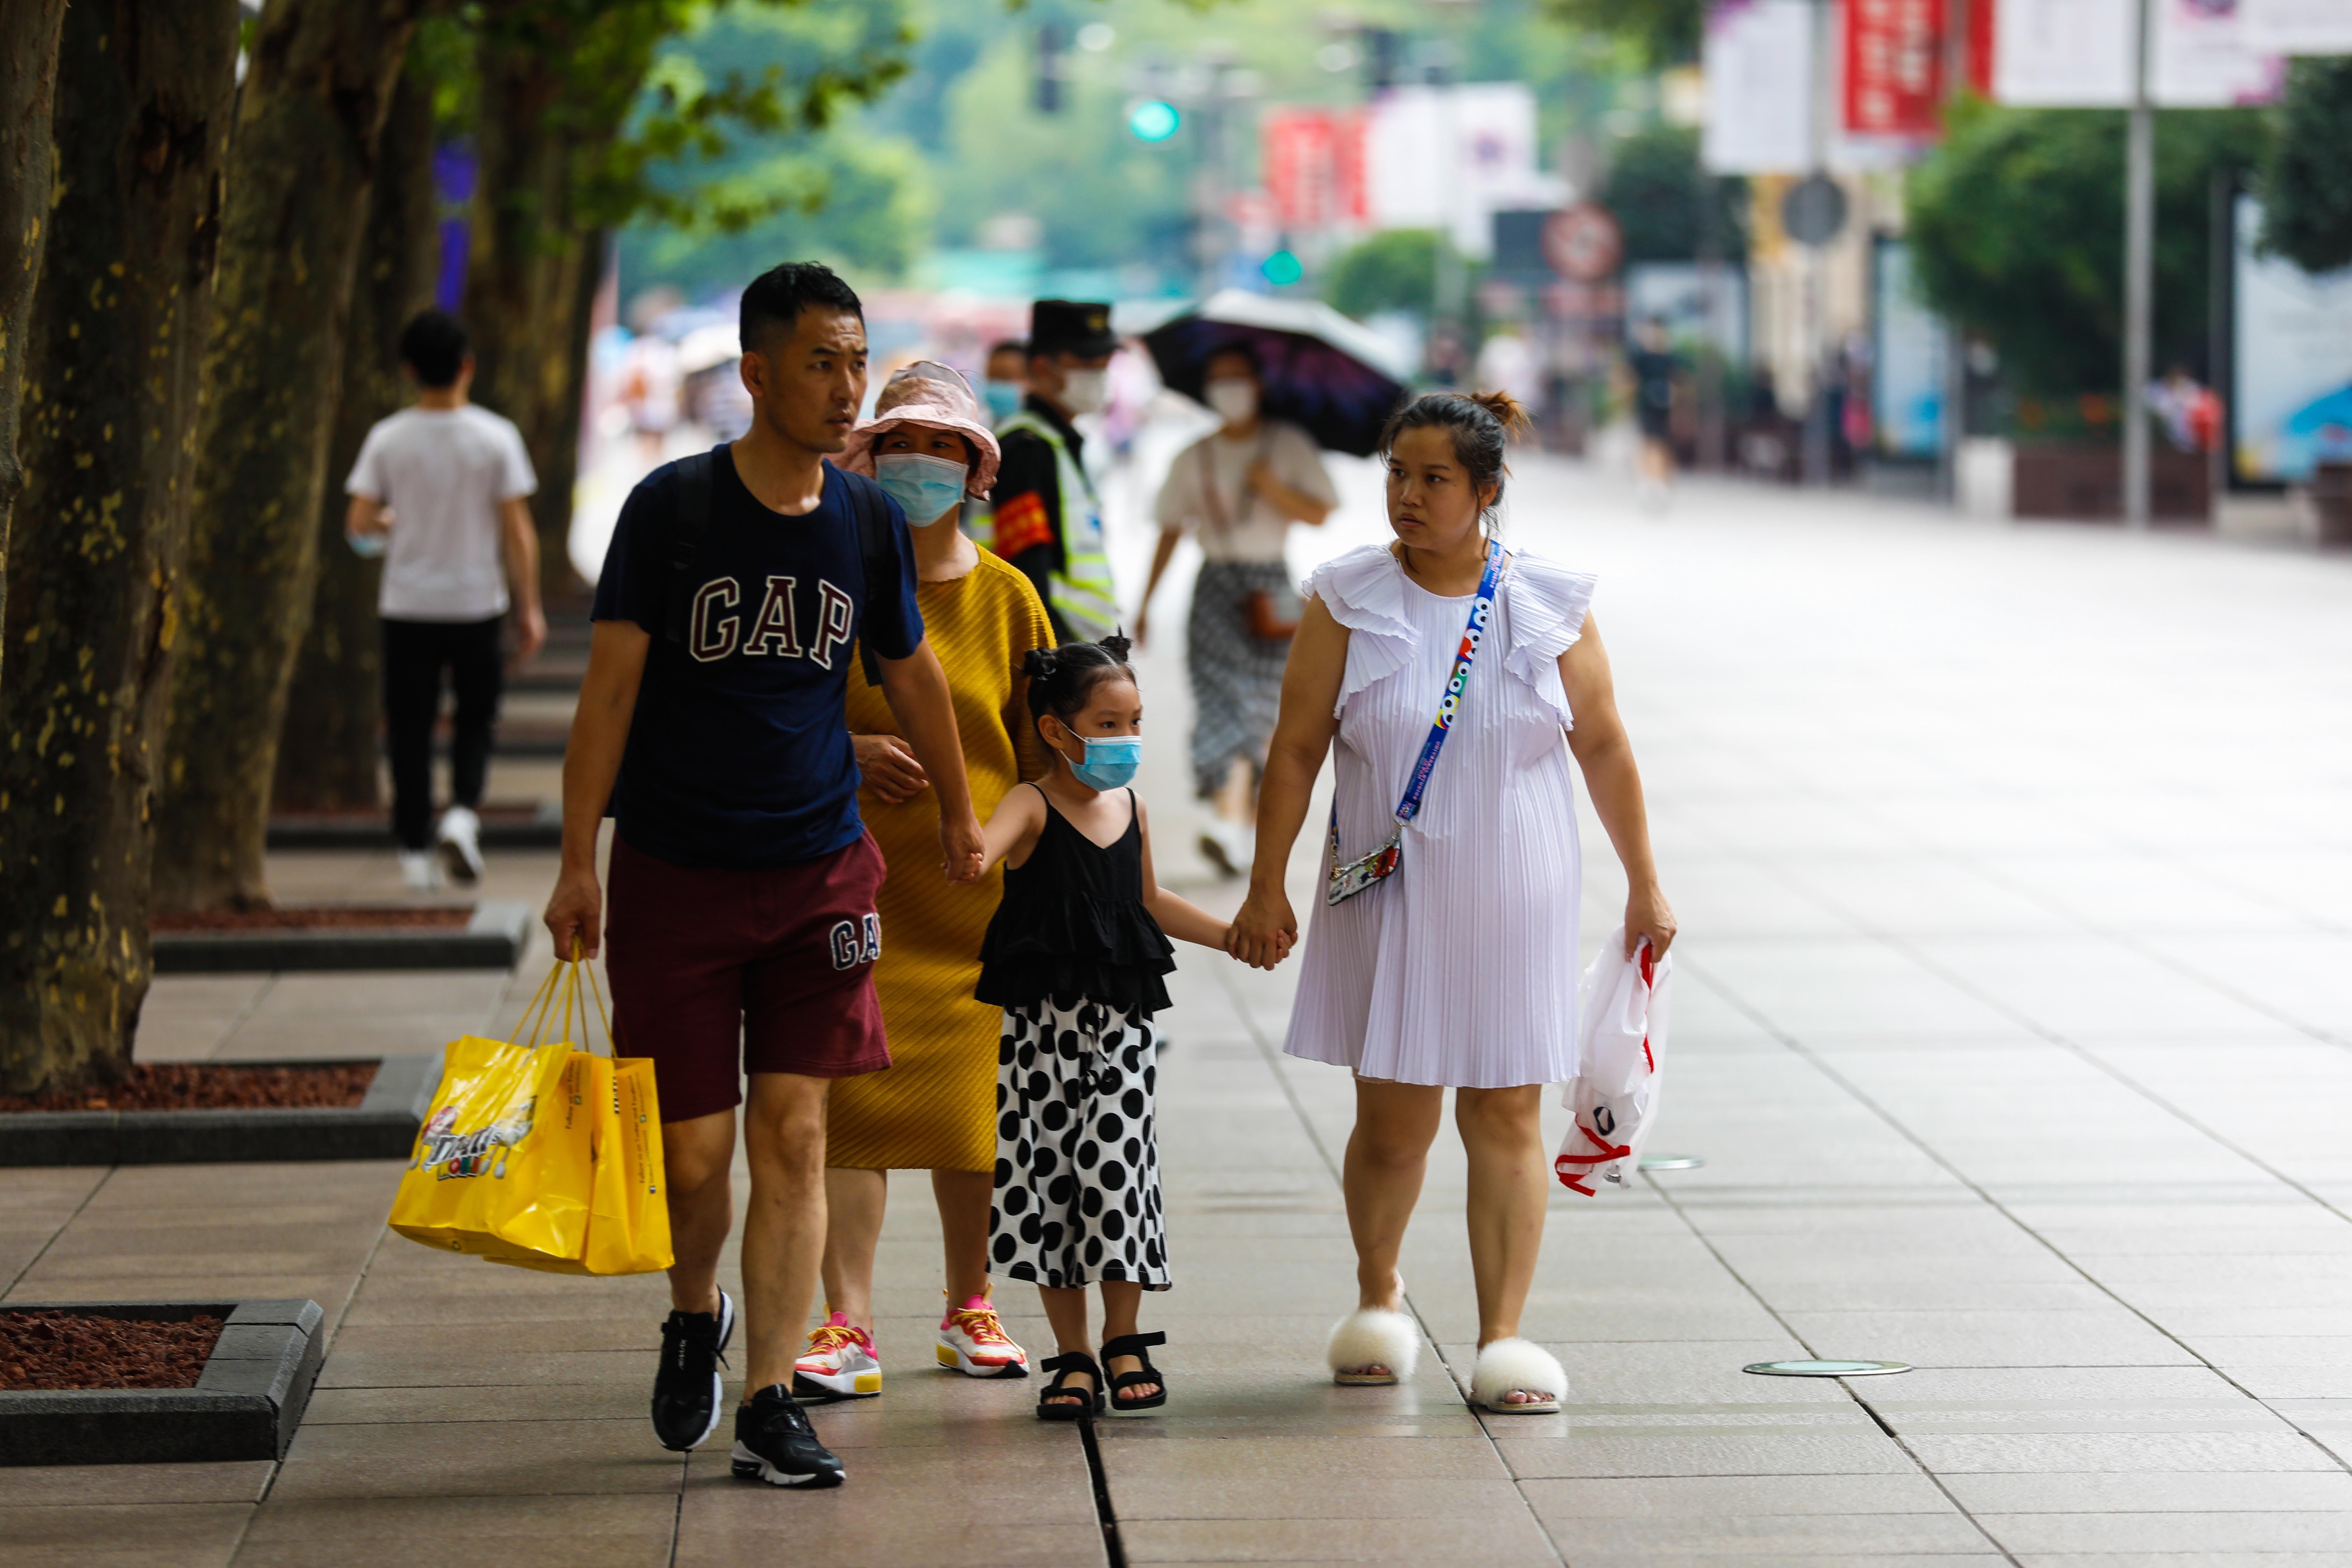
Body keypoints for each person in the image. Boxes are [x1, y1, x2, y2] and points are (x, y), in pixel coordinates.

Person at [544, 262, 987, 1492]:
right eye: (821, 364)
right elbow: (612, 695)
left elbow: (915, 679)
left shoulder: (865, 525)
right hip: (677, 875)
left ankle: (771, 1399)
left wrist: (960, 815)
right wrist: (579, 860)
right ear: (754, 372)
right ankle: (698, 1310)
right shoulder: (671, 511)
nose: (849, 390)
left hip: (818, 878)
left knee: (795, 1137)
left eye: (857, 361)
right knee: (695, 1157)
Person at [1228, 391, 1676, 1415]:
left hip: (1515, 886)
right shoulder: (1344, 596)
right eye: (1396, 473)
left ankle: (1502, 1335)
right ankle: (1376, 1293)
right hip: (1385, 883)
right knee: (1391, 1119)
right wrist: (1264, 882)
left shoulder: (1546, 601)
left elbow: (1600, 744)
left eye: (1433, 478)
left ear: (1485, 491)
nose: (1408, 496)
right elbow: (1295, 748)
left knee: (1506, 1110)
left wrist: (1644, 880)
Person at [795, 362, 1055, 1400]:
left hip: (979, 896)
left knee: (971, 1114)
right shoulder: (834, 581)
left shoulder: (1007, 596)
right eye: (903, 442)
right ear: (868, 454)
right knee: (847, 1105)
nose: (923, 463)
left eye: (945, 445)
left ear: (975, 465)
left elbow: (1049, 745)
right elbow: (782, 706)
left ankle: (969, 1302)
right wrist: (850, 747)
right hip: (849, 889)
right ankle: (845, 1319)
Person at [972, 636, 1248, 1419]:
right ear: (1059, 730)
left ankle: (1124, 1336)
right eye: (1109, 722)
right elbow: (982, 849)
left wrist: (1231, 934)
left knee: (1118, 1171)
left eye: (1135, 721)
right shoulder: (1030, 803)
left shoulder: (1132, 806)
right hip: (1042, 1035)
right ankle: (1074, 1353)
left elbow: (1150, 900)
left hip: (1121, 1028)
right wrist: (966, 847)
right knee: (1051, 1177)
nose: (1127, 738)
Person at [344, 309, 547, 891]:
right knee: (476, 718)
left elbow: (358, 524)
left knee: (409, 725)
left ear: (409, 371)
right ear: (468, 367)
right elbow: (518, 531)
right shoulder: (496, 437)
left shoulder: (388, 438)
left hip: (406, 604)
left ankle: (413, 849)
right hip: (476, 603)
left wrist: (391, 524)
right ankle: (461, 813)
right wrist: (528, 607)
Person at [1135, 342, 1338, 878]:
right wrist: (1146, 604)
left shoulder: (1287, 445)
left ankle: (1242, 826)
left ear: (1260, 385)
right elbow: (1170, 531)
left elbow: (1321, 511)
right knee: (1221, 702)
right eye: (1219, 380)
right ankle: (1228, 822)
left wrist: (1272, 489)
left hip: (1272, 586)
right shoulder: (1193, 456)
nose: (1230, 390)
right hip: (1215, 590)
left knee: (1268, 709)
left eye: (1238, 378)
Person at [981, 300, 1121, 643]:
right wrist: (1049, 657)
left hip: (1081, 639)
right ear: (1044, 367)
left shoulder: (1059, 442)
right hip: (1059, 643)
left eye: (1105, 364)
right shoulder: (1026, 447)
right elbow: (1027, 567)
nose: (1101, 374)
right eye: (1088, 364)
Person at [1626, 316, 1681, 507]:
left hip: (1665, 408)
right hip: (1646, 406)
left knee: (1661, 444)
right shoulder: (1640, 358)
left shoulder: (1670, 359)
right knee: (1647, 442)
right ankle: (1647, 479)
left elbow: (1679, 383)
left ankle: (1659, 480)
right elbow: (1629, 381)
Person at [980, 338, 1028, 426]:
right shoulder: (980, 425)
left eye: (1005, 377)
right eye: (993, 377)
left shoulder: (1036, 431)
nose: (997, 384)